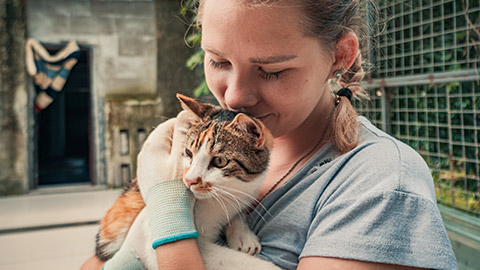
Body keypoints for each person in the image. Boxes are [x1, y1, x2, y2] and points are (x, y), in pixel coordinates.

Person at [81, 0, 457, 269]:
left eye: (272, 70)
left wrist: (167, 213)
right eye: (218, 61)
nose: (234, 95)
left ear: (341, 55)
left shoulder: (379, 184)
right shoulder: (211, 140)